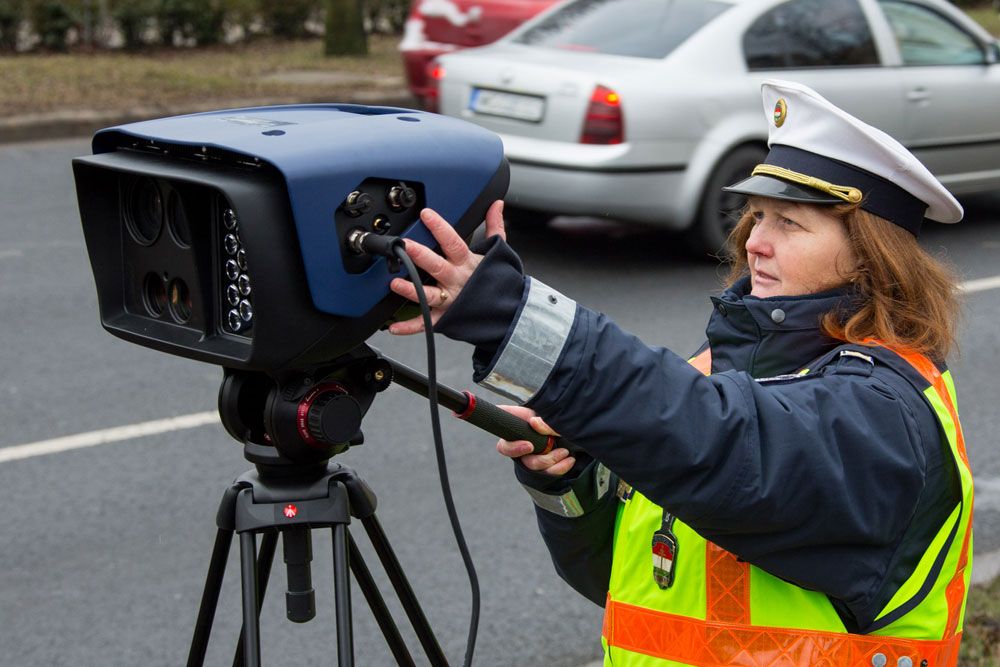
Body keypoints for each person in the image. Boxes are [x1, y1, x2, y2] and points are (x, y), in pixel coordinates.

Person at [389, 79, 974, 666]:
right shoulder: (720, 369)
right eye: (756, 216)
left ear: (871, 256)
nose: (754, 244)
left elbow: (725, 446)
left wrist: (512, 317)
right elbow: (629, 584)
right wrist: (570, 477)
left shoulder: (885, 411)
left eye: (790, 224)